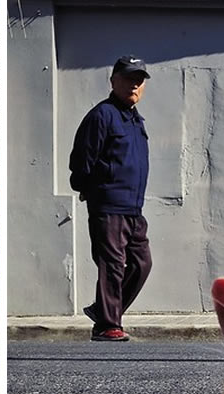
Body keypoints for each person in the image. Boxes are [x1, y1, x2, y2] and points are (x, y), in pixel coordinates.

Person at [68, 55, 153, 342]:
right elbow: (82, 159)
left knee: (142, 264)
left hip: (133, 208)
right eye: (129, 78)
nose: (134, 84)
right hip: (108, 206)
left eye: (139, 80)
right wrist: (89, 189)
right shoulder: (102, 115)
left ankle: (103, 310)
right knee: (113, 264)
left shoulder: (135, 120)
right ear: (113, 81)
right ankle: (106, 324)